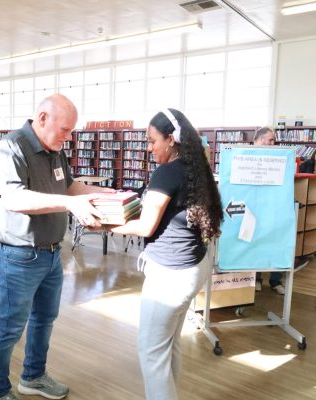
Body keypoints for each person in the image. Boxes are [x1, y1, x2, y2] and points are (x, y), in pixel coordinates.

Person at [0, 94, 114, 400]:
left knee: (44, 319)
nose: (69, 137)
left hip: (53, 252)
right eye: (65, 129)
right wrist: (70, 203)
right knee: (9, 328)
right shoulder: (10, 148)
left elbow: (68, 186)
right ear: (42, 118)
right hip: (18, 255)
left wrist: (105, 194)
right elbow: (14, 199)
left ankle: (34, 377)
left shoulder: (56, 151)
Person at [106, 108, 222, 400]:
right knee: (169, 344)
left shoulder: (167, 172)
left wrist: (107, 224)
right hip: (193, 265)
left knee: (151, 350)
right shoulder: (196, 168)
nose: (149, 148)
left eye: (152, 141)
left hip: (171, 274)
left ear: (171, 139)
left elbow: (146, 226)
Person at [253, 127, 285, 294]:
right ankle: (256, 278)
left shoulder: (278, 157)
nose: (274, 143)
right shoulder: (247, 156)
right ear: (259, 140)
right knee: (255, 243)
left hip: (274, 207)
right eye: (271, 140)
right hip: (254, 208)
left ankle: (275, 280)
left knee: (276, 243)